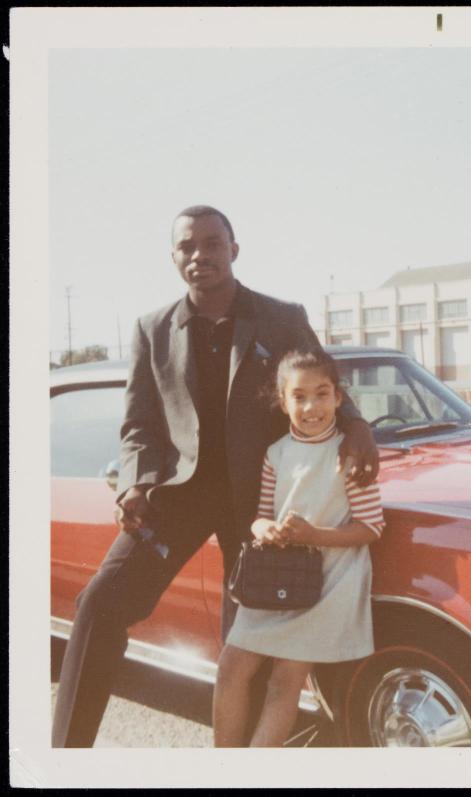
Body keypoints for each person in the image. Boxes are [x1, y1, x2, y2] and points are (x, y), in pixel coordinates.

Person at [51, 205, 379, 748]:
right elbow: (138, 424)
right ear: (175, 256)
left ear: (234, 248)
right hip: (177, 497)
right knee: (99, 605)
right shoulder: (152, 328)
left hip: (259, 500)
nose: (200, 254)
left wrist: (359, 426)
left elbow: (326, 385)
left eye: (211, 243)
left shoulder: (281, 316)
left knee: (242, 639)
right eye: (187, 246)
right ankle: (66, 755)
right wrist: (135, 482)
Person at [213, 348, 385, 747]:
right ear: (283, 401)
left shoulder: (349, 452)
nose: (311, 407)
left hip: (328, 582)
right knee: (231, 667)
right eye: (299, 396)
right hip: (275, 579)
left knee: (284, 682)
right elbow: (258, 516)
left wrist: (314, 535)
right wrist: (266, 529)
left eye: (322, 394)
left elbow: (372, 527)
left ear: (339, 398)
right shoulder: (275, 454)